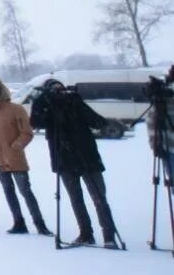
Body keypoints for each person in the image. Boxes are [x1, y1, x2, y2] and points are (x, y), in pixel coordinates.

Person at [30, 79, 121, 248]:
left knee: (99, 197)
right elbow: (35, 123)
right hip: (64, 159)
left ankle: (109, 235)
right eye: (53, 90)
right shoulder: (47, 106)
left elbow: (98, 122)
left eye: (60, 89)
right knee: (75, 198)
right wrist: (43, 100)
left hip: (87, 157)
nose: (58, 92)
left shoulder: (74, 102)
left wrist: (76, 102)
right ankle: (86, 233)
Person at [0, 75, 50, 236]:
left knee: (25, 191)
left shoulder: (16, 109)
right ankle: (18, 222)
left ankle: (40, 223)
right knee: (8, 191)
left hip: (14, 157)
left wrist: (16, 146)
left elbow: (27, 133)